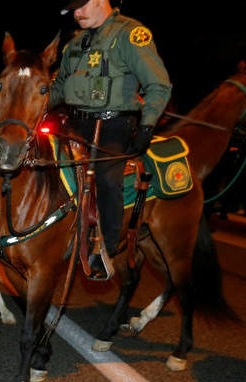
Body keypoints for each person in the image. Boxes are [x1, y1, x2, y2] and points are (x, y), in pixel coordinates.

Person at [50, 0, 172, 279]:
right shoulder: (75, 43)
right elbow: (58, 88)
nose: (76, 14)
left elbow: (159, 84)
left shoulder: (130, 34)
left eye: (80, 7)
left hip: (113, 126)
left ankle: (103, 248)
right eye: (72, 10)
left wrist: (147, 127)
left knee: (106, 179)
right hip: (75, 125)